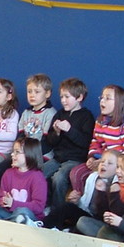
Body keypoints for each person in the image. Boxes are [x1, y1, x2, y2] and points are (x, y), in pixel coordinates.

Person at [68, 84, 124, 201]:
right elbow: (95, 142)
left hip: (117, 166)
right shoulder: (100, 122)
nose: (103, 101)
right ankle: (80, 200)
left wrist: (104, 163)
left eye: (108, 98)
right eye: (102, 98)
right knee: (76, 173)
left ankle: (95, 208)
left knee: (101, 181)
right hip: (100, 161)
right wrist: (92, 158)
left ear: (120, 103)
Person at [43, 77, 94, 209]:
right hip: (58, 158)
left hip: (75, 159)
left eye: (67, 96)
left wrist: (69, 130)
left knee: (59, 179)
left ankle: (58, 211)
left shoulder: (86, 116)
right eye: (61, 97)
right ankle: (42, 206)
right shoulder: (60, 114)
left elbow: (85, 142)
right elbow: (51, 141)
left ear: (79, 97)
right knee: (38, 173)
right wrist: (57, 132)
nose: (63, 100)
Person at [0, 137, 47, 225]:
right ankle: (10, 224)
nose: (12, 154)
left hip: (29, 215)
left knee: (22, 211)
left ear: (29, 154)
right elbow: (1, 198)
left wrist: (14, 203)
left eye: (17, 152)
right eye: (13, 151)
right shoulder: (8, 173)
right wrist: (4, 201)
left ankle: (4, 225)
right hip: (9, 214)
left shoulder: (37, 176)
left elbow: (38, 207)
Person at [17, 73, 57, 146]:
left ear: (47, 93)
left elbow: (47, 141)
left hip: (43, 154)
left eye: (37, 92)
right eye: (29, 91)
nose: (32, 95)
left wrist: (33, 154)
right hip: (26, 151)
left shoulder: (50, 113)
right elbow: (21, 135)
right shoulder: (26, 113)